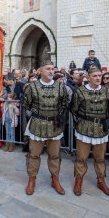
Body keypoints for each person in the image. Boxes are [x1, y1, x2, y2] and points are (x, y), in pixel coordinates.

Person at [23, 61, 68, 196]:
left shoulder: (60, 87)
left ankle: (55, 179)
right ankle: (32, 179)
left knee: (54, 155)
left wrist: (59, 116)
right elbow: (26, 104)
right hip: (38, 124)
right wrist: (38, 115)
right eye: (48, 69)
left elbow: (64, 103)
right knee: (34, 155)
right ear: (40, 71)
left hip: (54, 126)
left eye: (52, 69)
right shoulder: (32, 87)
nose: (51, 71)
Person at [71, 67, 109, 196]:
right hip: (84, 128)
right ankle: (78, 181)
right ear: (88, 77)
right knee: (81, 158)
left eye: (99, 75)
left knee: (100, 159)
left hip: (101, 129)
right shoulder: (80, 92)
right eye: (95, 76)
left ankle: (101, 181)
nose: (98, 78)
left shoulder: (107, 92)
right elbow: (74, 109)